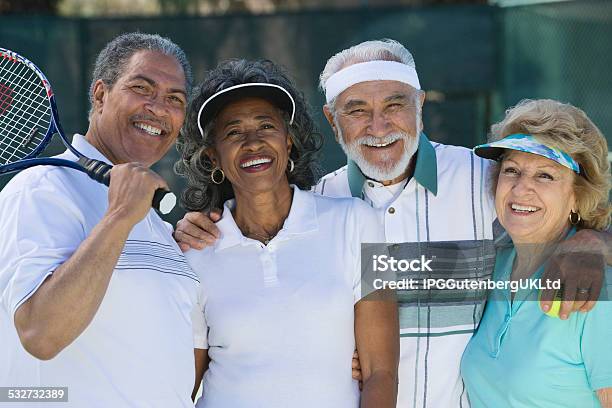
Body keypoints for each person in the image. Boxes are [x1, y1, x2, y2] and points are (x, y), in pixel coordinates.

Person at [174, 40, 609, 407]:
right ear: (332, 120)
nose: (378, 126)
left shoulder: (488, 181)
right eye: (357, 109)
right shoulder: (320, 204)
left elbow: (562, 208)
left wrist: (591, 242)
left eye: (395, 104)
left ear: (420, 105)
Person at [175, 58, 399, 407]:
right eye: (234, 132)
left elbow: (380, 373)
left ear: (289, 141)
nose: (253, 143)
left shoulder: (358, 222)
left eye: (266, 127)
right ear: (213, 157)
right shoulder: (193, 251)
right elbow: (182, 385)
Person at [0, 33, 198, 407]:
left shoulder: (154, 219)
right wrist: (119, 217)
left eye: (175, 99)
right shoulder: (42, 188)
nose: (158, 108)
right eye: (142, 88)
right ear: (101, 95)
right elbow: (41, 333)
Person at [461, 99, 612, 407]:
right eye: (512, 170)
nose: (520, 188)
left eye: (545, 175)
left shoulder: (596, 288)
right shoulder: (492, 262)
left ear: (577, 195)